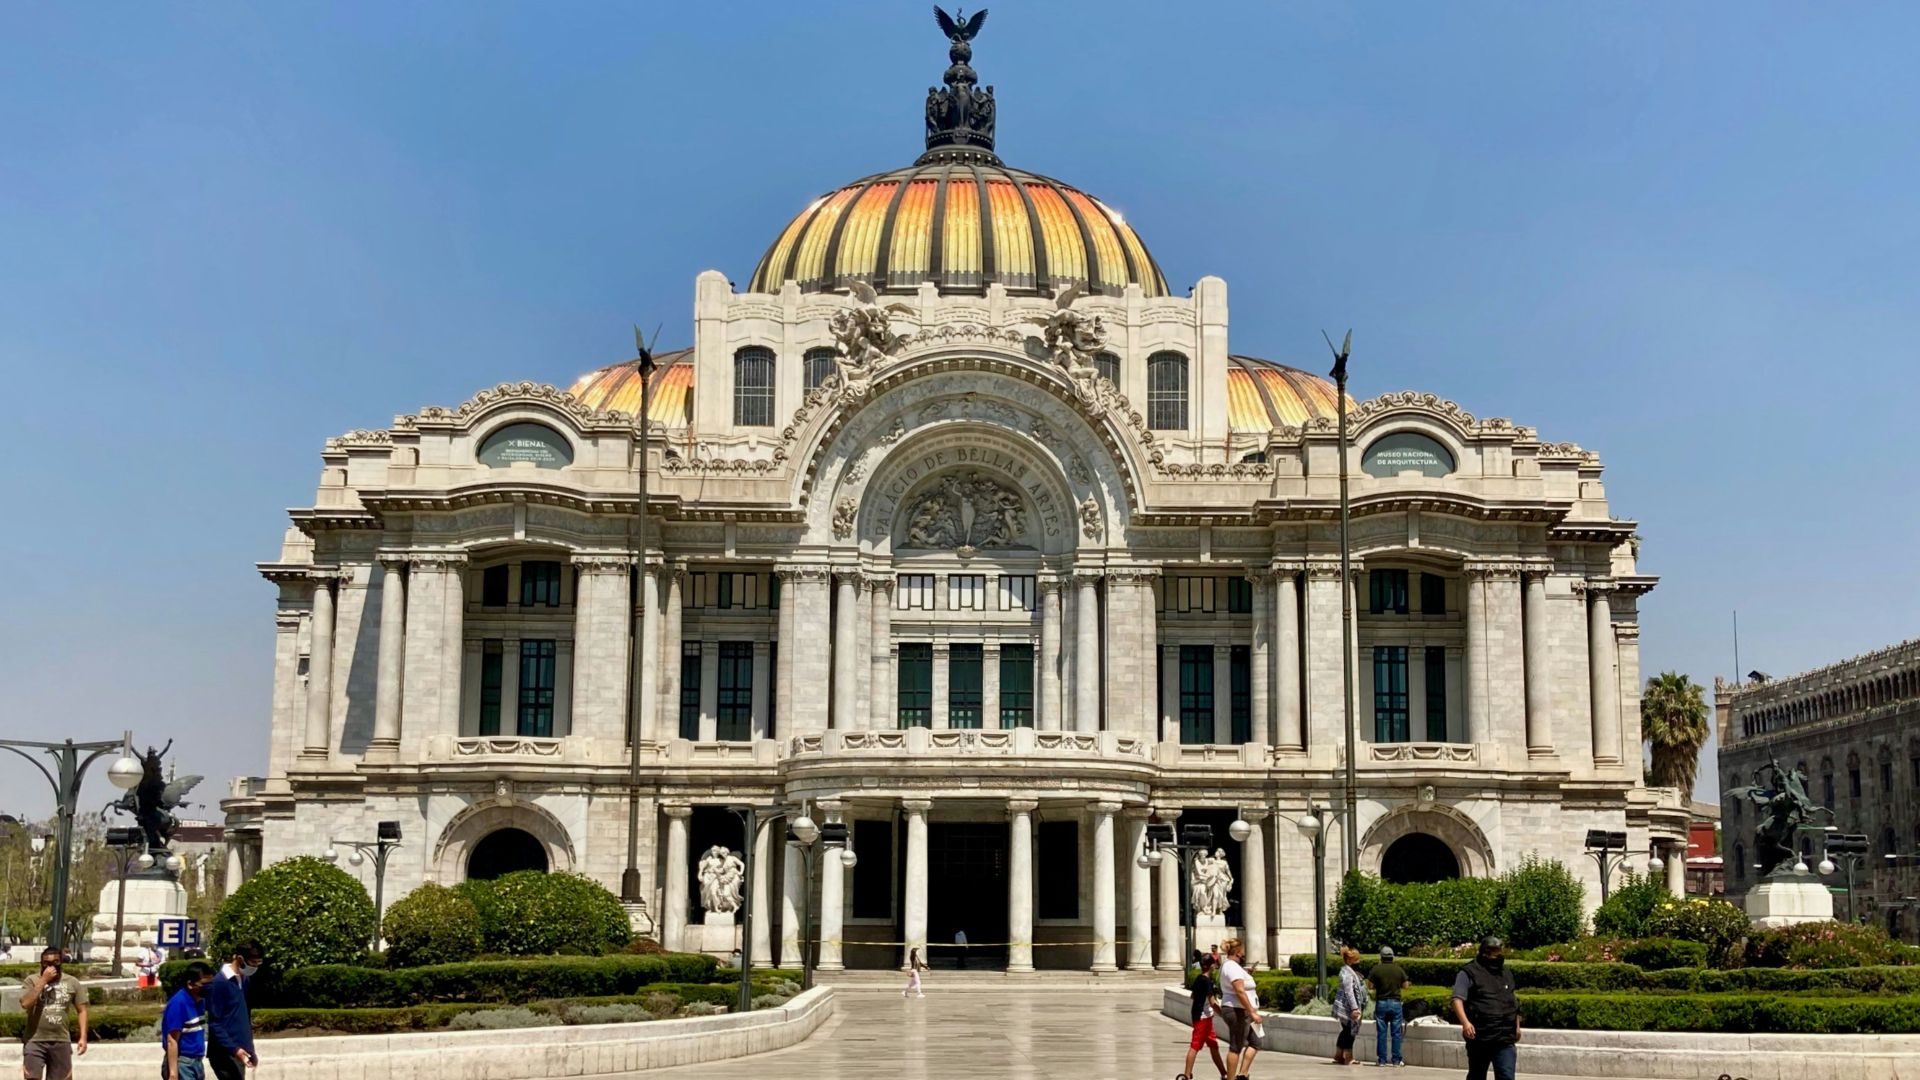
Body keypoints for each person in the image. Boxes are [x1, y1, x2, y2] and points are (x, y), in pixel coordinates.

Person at [1451, 936, 1520, 1080]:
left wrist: (1517, 1026)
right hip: (1480, 1036)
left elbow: (1512, 1001)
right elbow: (1457, 999)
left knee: (1506, 1076)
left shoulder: (1505, 972)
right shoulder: (1468, 972)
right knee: (1477, 1075)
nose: (1497, 955)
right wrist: (1465, 1023)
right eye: (1493, 951)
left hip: (1505, 1036)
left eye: (1499, 951)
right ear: (1484, 952)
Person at [18, 946, 88, 1080]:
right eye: (47, 964)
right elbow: (25, 1003)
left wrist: (83, 1037)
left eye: (55, 963)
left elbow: (82, 1010)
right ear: (41, 964)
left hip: (60, 1040)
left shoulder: (72, 982)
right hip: (35, 1040)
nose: (51, 967)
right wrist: (43, 980)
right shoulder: (31, 980)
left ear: (61, 962)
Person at [207, 941, 263, 1080]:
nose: (254, 967)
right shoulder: (220, 983)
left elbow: (243, 1017)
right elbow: (215, 1023)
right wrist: (235, 1049)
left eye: (258, 963)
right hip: (225, 1053)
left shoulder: (244, 980)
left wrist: (249, 1049)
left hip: (240, 1051)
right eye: (252, 963)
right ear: (240, 959)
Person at [1216, 937, 1262, 1080]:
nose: (1244, 954)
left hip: (1241, 1010)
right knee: (1236, 1046)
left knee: (1255, 1042)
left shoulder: (1234, 967)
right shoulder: (1231, 966)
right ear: (1237, 952)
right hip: (1237, 1010)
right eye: (1242, 951)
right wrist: (1252, 1012)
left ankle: (1242, 1074)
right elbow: (1239, 991)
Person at [162, 961, 216, 1080]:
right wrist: (173, 1073)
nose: (209, 987)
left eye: (210, 983)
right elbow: (172, 1040)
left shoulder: (201, 1000)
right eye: (204, 984)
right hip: (183, 1063)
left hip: (197, 1061)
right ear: (190, 984)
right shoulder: (178, 1003)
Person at [1180, 954, 1228, 1080]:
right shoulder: (1207, 982)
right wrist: (1224, 1014)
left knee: (1213, 1045)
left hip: (1201, 1016)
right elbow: (1213, 1002)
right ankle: (1186, 1075)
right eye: (1214, 964)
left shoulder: (1198, 978)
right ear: (1211, 965)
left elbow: (1193, 996)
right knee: (1195, 1046)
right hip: (1203, 1018)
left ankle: (1224, 1073)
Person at [1369, 945, 1409, 1067]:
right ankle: (1396, 1060)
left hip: (1381, 1003)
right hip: (1396, 1003)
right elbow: (1406, 985)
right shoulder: (1398, 969)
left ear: (1381, 957)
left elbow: (1370, 986)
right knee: (1396, 1033)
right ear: (1392, 957)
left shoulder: (1376, 969)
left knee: (1381, 1033)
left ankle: (1382, 1060)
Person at [1332, 946, 1367, 1066]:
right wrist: (1354, 1008)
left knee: (1346, 1031)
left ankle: (1339, 1055)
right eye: (1356, 960)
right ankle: (1348, 1057)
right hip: (1347, 1009)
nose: (1358, 962)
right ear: (1350, 961)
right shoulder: (1347, 974)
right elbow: (1349, 992)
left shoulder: (1348, 971)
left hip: (1346, 1008)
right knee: (1350, 1032)